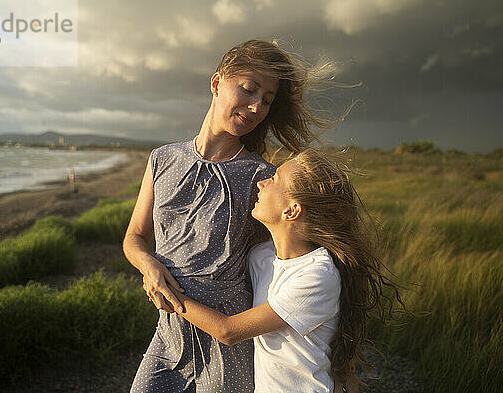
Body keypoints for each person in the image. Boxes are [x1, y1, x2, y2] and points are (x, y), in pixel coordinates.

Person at [123, 40, 338, 393]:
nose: (256, 107)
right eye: (249, 89)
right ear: (216, 82)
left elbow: (305, 256)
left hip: (228, 347)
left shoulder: (263, 179)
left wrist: (340, 359)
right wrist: (149, 267)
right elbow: (134, 237)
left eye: (267, 100)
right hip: (168, 335)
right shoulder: (161, 159)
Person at [162, 148, 403, 392]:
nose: (262, 183)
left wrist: (167, 293)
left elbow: (228, 331)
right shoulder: (261, 257)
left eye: (274, 179)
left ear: (291, 211)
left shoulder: (317, 275)